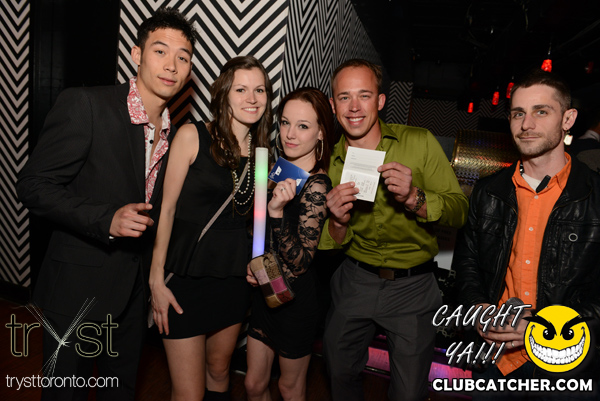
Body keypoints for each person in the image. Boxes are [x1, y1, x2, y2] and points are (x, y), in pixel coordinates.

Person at [16, 8, 195, 400]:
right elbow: (32, 185)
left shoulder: (175, 134)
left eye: (183, 57)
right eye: (160, 51)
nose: (171, 65)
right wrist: (105, 219)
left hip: (132, 294)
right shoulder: (87, 105)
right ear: (137, 54)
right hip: (77, 290)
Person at [318, 59, 469, 401]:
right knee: (338, 371)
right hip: (355, 280)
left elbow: (460, 211)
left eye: (364, 95)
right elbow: (330, 243)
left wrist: (415, 198)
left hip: (413, 287)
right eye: (344, 97)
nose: (354, 107)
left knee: (409, 392)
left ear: (381, 101)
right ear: (333, 105)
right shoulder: (329, 160)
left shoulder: (419, 142)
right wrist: (338, 221)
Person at [454, 69, 600, 400]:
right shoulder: (488, 191)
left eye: (541, 111)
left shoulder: (594, 195)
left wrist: (545, 328)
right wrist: (478, 307)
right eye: (518, 113)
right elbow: (467, 262)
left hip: (566, 364)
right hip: (495, 362)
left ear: (568, 119)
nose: (526, 124)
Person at [149, 55, 273, 401]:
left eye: (260, 90)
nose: (252, 98)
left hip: (232, 280)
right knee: (189, 393)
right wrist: (156, 279)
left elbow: (257, 219)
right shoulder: (193, 135)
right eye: (241, 89)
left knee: (219, 371)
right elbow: (166, 210)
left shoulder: (263, 154)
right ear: (223, 94)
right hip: (185, 278)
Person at [244, 87, 334, 401]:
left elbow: (301, 261)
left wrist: (277, 212)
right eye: (285, 123)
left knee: (288, 388)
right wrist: (253, 263)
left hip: (296, 301)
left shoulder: (317, 185)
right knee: (253, 385)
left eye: (303, 126)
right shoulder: (280, 168)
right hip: (266, 290)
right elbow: (258, 230)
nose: (290, 134)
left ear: (321, 132)